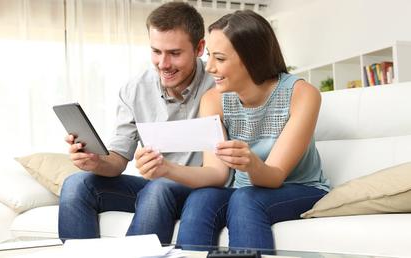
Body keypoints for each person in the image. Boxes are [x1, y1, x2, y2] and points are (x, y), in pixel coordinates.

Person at [58, 2, 220, 244]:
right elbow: (117, 162)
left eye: (174, 53)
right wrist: (95, 161)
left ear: (199, 48)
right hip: (156, 190)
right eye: (156, 51)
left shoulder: (219, 83)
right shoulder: (135, 89)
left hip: (201, 189)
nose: (163, 64)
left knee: (158, 187)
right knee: (76, 183)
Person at [168, 10, 330, 250]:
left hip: (301, 188)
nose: (209, 67)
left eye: (220, 59)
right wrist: (166, 169)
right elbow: (216, 172)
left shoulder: (302, 94)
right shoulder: (213, 99)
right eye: (210, 56)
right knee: (201, 199)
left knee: (246, 199)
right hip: (243, 189)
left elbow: (274, 176)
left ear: (252, 58)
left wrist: (251, 164)